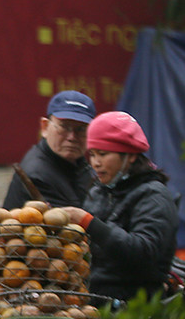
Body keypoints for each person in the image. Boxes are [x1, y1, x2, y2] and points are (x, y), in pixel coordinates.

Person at [62, 111, 180, 302]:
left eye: (103, 154)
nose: (96, 163)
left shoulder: (154, 196)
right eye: (92, 154)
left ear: (130, 156)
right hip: (92, 300)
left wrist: (89, 223)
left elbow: (143, 253)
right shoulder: (98, 191)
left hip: (135, 307)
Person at [3, 90, 97, 209]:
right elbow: (69, 219)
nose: (72, 137)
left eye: (81, 129)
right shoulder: (37, 174)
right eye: (64, 127)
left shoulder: (77, 163)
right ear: (45, 127)